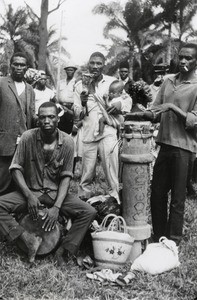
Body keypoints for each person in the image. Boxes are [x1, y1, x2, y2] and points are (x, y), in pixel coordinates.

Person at [0, 102, 96, 264]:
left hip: (55, 194)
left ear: (57, 119)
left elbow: (66, 176)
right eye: (42, 117)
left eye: (51, 117)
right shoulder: (27, 137)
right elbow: (15, 169)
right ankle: (26, 239)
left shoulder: (67, 142)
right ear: (37, 119)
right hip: (31, 193)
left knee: (89, 211)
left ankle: (64, 250)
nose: (46, 121)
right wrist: (29, 196)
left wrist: (57, 207)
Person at [128, 43, 197, 245]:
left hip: (184, 148)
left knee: (177, 198)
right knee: (157, 193)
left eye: (189, 58)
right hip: (164, 145)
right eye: (181, 57)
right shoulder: (168, 82)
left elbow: (192, 121)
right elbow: (156, 112)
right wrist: (140, 112)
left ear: (196, 62)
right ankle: (158, 235)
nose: (183, 61)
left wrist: (171, 107)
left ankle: (173, 239)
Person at [74, 52, 121, 203]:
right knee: (86, 173)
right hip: (89, 132)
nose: (95, 66)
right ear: (88, 64)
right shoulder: (79, 85)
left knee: (111, 170)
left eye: (98, 63)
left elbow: (126, 100)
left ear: (103, 65)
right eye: (92, 63)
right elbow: (77, 113)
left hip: (107, 131)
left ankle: (115, 201)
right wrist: (82, 102)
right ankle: (82, 205)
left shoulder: (112, 82)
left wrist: (118, 105)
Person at [0, 52, 35, 196]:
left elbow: (31, 116)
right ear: (11, 65)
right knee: (2, 178)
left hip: (23, 142)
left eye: (22, 65)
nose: (19, 67)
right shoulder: (2, 83)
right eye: (16, 64)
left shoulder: (30, 89)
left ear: (27, 67)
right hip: (4, 140)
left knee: (19, 178)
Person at [58, 63, 77, 134]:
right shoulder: (61, 82)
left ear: (74, 71)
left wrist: (71, 109)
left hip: (71, 108)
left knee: (69, 129)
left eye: (71, 70)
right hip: (61, 107)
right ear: (65, 71)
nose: (69, 71)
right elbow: (57, 95)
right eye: (68, 70)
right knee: (60, 127)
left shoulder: (76, 82)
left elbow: (77, 96)